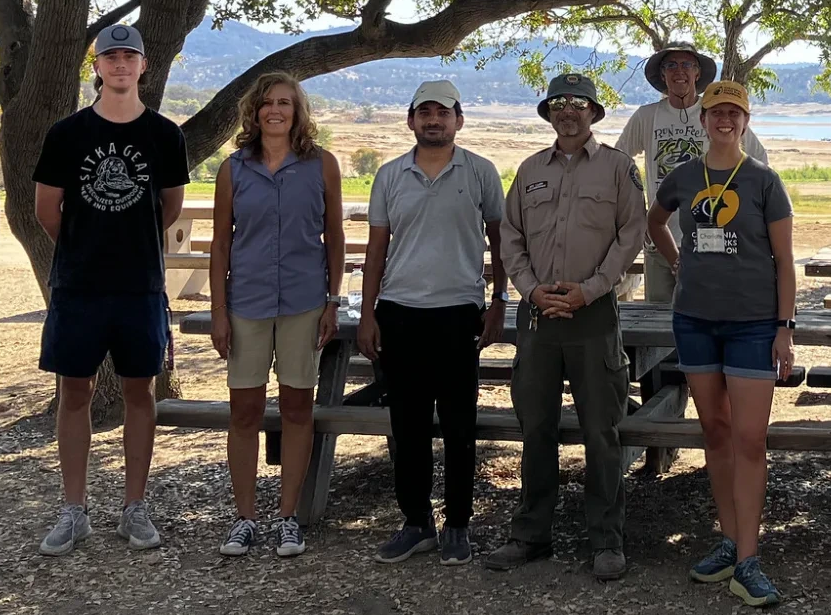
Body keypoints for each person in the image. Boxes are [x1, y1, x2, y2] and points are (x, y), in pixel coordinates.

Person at [33, 23, 191, 556]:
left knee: (140, 393)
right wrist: (84, 245)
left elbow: (169, 208)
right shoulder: (66, 135)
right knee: (73, 393)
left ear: (144, 66)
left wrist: (128, 244)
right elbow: (45, 210)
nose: (120, 64)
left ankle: (134, 507)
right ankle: (74, 510)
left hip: (139, 287)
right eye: (110, 56)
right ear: (96, 67)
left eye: (130, 56)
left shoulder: (165, 135)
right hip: (78, 286)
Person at [487, 73, 648, 580]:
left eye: (578, 103)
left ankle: (606, 539)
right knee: (535, 428)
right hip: (537, 314)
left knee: (602, 431)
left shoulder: (620, 169)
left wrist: (591, 289)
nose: (568, 111)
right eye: (559, 103)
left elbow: (632, 234)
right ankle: (531, 534)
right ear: (549, 113)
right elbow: (510, 234)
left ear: (594, 112)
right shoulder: (531, 169)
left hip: (593, 313)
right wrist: (530, 289)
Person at [646, 79, 796, 608]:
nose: (724, 121)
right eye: (716, 113)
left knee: (751, 439)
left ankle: (749, 561)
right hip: (695, 321)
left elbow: (785, 263)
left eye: (734, 113)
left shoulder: (763, 181)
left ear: (746, 121)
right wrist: (676, 260)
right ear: (703, 121)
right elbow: (655, 220)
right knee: (715, 430)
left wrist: (784, 327)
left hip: (754, 325)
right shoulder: (683, 177)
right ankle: (729, 542)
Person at [357, 79, 507, 567]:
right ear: (411, 120)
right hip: (399, 313)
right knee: (409, 424)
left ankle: (459, 525)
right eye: (425, 112)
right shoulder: (390, 175)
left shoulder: (481, 173)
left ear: (459, 120)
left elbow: (501, 241)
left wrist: (500, 299)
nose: (434, 119)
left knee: (461, 423)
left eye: (443, 112)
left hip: (459, 312)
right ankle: (417, 522)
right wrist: (367, 314)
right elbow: (376, 249)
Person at [208, 73, 344, 559]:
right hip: (246, 303)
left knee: (296, 408)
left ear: (298, 111)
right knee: (243, 411)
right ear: (255, 112)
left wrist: (333, 300)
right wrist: (218, 310)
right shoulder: (233, 169)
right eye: (267, 103)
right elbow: (221, 242)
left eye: (285, 102)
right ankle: (244, 518)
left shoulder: (322, 165)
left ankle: (288, 518)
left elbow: (335, 237)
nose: (276, 110)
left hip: (305, 303)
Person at [615, 40, 768, 303]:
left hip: (714, 245)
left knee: (710, 321)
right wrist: (637, 212)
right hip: (660, 244)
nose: (679, 71)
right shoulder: (646, 116)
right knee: (660, 330)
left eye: (687, 64)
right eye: (671, 65)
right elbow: (619, 164)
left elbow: (759, 163)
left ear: (697, 73)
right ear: (662, 74)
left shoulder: (716, 114)